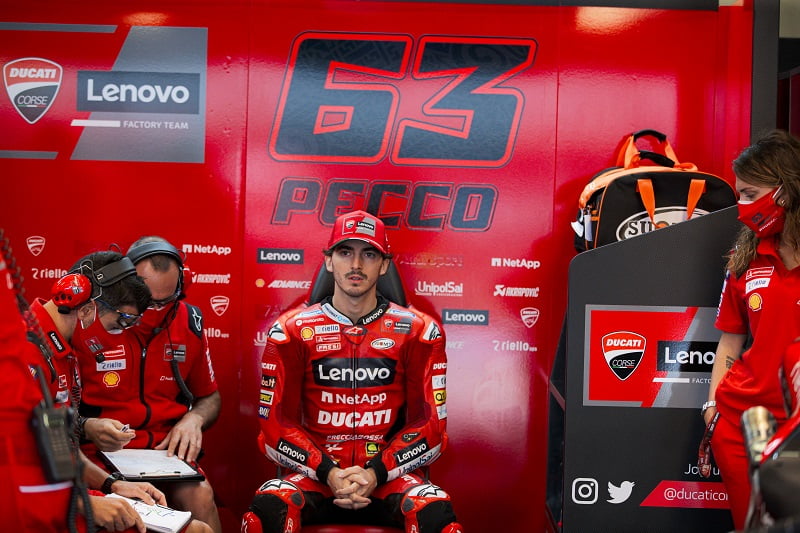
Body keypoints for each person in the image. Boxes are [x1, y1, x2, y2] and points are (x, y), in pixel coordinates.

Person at [242, 210, 463, 533]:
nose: (356, 265)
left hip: (389, 477)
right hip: (317, 476)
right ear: (329, 261)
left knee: (437, 516)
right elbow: (274, 426)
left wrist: (375, 473)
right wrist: (329, 472)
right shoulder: (290, 331)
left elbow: (431, 427)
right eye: (345, 253)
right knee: (266, 511)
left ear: (384, 265)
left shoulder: (419, 331)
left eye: (369, 254)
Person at [30, 250, 213, 533]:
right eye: (117, 325)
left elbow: (59, 449)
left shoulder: (63, 353)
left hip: (63, 493)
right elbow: (15, 466)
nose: (113, 337)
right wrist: (87, 503)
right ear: (87, 309)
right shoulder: (22, 352)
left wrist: (112, 485)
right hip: (37, 506)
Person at [701, 129, 800, 529]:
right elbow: (730, 341)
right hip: (742, 426)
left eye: (749, 193)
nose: (741, 206)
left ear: (785, 191)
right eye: (738, 194)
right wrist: (711, 410)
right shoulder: (745, 260)